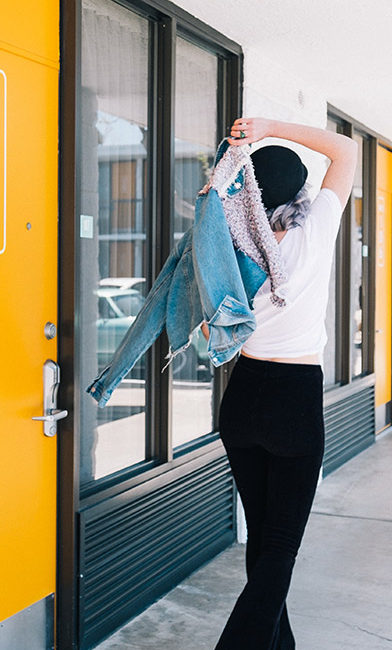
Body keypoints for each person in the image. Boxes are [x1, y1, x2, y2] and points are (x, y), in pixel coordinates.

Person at [212, 118, 358, 649]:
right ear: (299, 193)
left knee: (263, 542)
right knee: (278, 548)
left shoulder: (230, 244)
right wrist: (269, 126)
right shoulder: (313, 231)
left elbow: (212, 325)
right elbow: (344, 150)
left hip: (243, 396)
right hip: (293, 401)